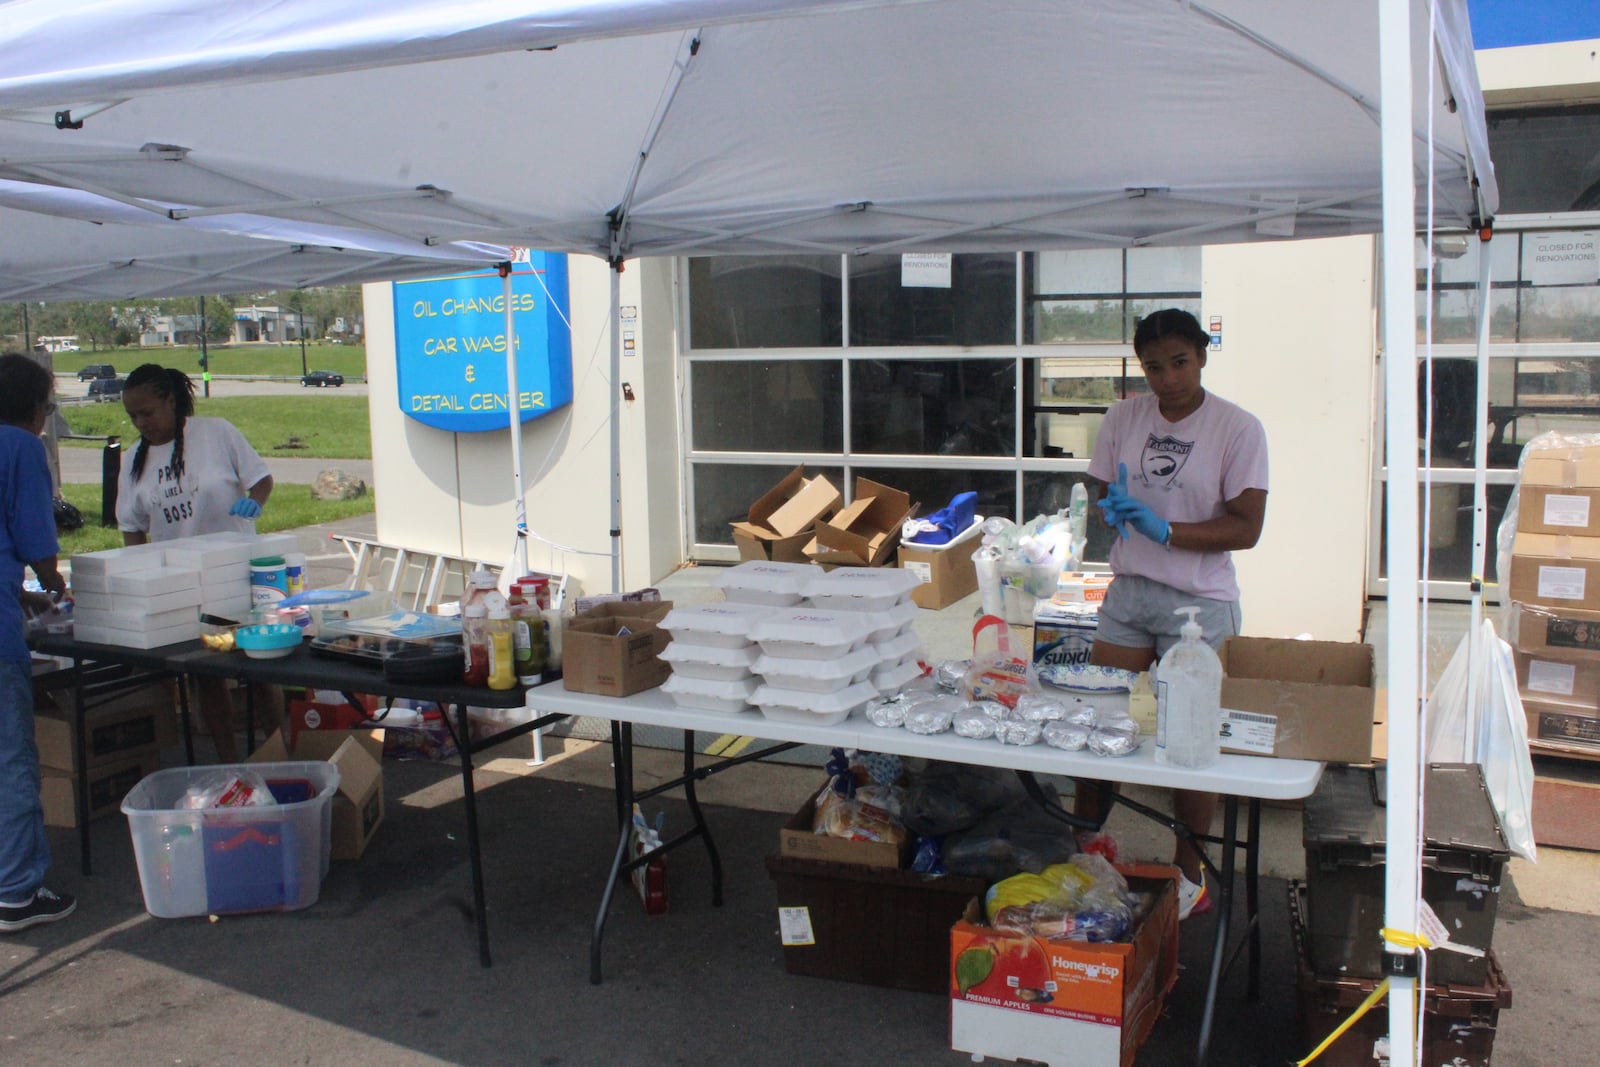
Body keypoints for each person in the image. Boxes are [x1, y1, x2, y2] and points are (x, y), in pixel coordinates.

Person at [1080, 308, 1269, 920]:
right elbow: (1098, 485)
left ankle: (1190, 875)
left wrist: (1167, 530)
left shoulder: (1238, 429)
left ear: (1203, 356)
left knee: (1191, 742)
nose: (1168, 379)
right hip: (1130, 593)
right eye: (1154, 367)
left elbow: (1246, 527)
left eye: (1180, 362)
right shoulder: (1122, 416)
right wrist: (1108, 507)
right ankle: (1086, 852)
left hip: (1200, 603)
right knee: (1096, 723)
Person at [116, 364, 280, 762]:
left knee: (259, 668)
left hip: (236, 574)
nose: (142, 423)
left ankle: (281, 752)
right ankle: (230, 763)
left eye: (148, 412)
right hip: (184, 586)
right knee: (208, 675)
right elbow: (131, 526)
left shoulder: (216, 432)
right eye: (133, 416)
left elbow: (262, 479)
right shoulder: (133, 459)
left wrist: (253, 503)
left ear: (171, 401)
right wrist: (143, 576)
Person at [0, 353, 76, 932]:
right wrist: (51, 583)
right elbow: (34, 540)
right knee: (10, 762)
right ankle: (18, 891)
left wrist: (18, 593)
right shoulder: (20, 448)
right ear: (35, 407)